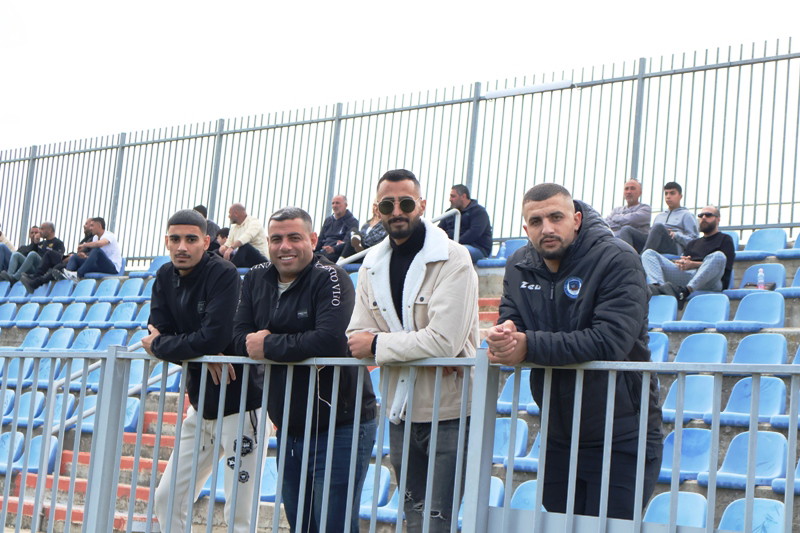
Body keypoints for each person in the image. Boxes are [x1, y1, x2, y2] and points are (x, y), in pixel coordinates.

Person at [485, 183, 662, 520]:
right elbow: (513, 317)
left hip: (622, 434)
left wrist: (528, 345)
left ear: (576, 219)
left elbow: (609, 341)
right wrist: (505, 336)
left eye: (556, 217)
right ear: (525, 228)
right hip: (559, 434)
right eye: (536, 221)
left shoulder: (618, 258)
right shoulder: (519, 264)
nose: (547, 228)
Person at [347, 169, 478, 533]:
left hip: (449, 410)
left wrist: (380, 344)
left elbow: (444, 341)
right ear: (377, 210)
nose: (397, 212)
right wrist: (417, 348)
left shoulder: (453, 257)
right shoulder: (371, 264)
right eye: (388, 205)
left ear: (421, 205)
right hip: (399, 410)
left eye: (405, 203)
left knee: (438, 522)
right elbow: (355, 337)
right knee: (413, 519)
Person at [232, 206, 376, 533]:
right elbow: (239, 337)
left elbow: (330, 340)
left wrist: (269, 344)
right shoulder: (255, 277)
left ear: (312, 239)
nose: (285, 246)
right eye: (276, 239)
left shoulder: (332, 277)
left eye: (294, 238)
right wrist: (286, 343)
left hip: (341, 424)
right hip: (289, 426)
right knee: (301, 525)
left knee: (333, 526)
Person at [143, 209, 266, 533]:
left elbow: (214, 336)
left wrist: (176, 346)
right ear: (166, 241)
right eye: (175, 239)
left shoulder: (223, 273)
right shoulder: (164, 275)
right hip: (200, 407)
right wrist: (201, 353)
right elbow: (158, 329)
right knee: (167, 498)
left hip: (242, 406)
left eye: (191, 239)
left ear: (206, 241)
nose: (182, 246)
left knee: (239, 515)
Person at [642, 205, 735, 307]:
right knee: (648, 253)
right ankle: (659, 288)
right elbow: (685, 260)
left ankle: (685, 292)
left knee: (718, 256)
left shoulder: (725, 239)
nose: (703, 218)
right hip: (688, 276)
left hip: (711, 281)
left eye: (708, 215)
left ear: (718, 219)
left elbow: (723, 266)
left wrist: (693, 264)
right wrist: (682, 263)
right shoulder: (693, 243)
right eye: (701, 215)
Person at [21, 219, 93, 291]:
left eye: (88, 224)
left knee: (53, 260)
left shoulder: (58, 243)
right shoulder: (86, 239)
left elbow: (92, 254)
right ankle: (35, 280)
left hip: (78, 262)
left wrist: (80, 255)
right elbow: (27, 252)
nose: (84, 226)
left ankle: (34, 281)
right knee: (57, 265)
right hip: (70, 260)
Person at [438, 184, 493, 262]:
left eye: (453, 196)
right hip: (453, 247)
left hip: (477, 249)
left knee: (456, 252)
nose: (450, 199)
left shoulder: (479, 212)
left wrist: (455, 244)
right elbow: (439, 230)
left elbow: (473, 233)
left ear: (463, 196)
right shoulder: (450, 212)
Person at [642, 182, 698, 255]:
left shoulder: (687, 215)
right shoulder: (659, 216)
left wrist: (676, 235)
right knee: (628, 230)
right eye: (666, 194)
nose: (668, 196)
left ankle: (643, 257)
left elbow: (694, 242)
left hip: (674, 246)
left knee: (658, 226)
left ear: (680, 196)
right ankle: (630, 257)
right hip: (656, 244)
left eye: (672, 193)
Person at [605, 179, 652, 253]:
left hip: (638, 244)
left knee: (626, 229)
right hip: (616, 242)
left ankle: (628, 258)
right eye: (626, 189)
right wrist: (625, 221)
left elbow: (633, 220)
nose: (629, 192)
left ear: (640, 193)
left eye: (632, 188)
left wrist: (616, 219)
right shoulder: (616, 210)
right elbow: (606, 224)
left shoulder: (645, 208)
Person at [218, 203, 269, 268]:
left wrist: (231, 248)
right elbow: (229, 243)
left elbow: (246, 237)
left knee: (245, 246)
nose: (228, 216)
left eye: (229, 214)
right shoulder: (234, 228)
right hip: (244, 259)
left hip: (259, 260)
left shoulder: (254, 222)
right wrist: (223, 248)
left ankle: (228, 269)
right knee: (216, 252)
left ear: (236, 214)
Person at [315, 195, 359, 262]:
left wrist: (334, 249)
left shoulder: (352, 222)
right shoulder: (328, 220)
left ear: (346, 205)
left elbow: (347, 242)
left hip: (337, 253)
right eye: (333, 203)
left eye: (337, 203)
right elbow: (321, 239)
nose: (334, 205)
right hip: (324, 251)